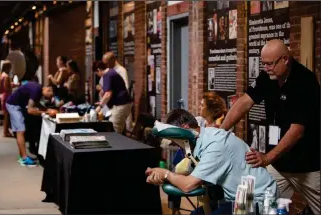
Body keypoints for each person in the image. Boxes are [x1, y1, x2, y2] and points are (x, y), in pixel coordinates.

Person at [220, 39, 320, 214]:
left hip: (308, 166)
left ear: (285, 59)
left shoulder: (305, 82)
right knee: (255, 203)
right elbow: (245, 102)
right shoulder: (268, 76)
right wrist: (220, 131)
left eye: (270, 64)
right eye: (263, 63)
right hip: (279, 164)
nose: (266, 68)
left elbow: (297, 131)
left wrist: (267, 158)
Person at [146, 109, 278, 214]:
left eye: (175, 140)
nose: (177, 144)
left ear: (184, 128)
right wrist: (162, 176)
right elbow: (193, 177)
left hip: (257, 200)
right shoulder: (201, 141)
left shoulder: (214, 144)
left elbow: (188, 185)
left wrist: (165, 174)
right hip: (235, 199)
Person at [6, 82, 54, 166]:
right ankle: (24, 159)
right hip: (13, 105)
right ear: (47, 89)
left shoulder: (38, 90)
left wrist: (47, 109)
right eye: (49, 95)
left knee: (20, 131)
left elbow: (36, 104)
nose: (49, 98)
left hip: (17, 105)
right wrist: (46, 112)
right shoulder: (36, 90)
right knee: (21, 131)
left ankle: (22, 156)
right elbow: (30, 110)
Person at [94, 61, 132, 133]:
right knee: (119, 128)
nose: (98, 76)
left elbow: (108, 94)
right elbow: (111, 90)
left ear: (98, 70)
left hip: (121, 105)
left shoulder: (107, 75)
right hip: (124, 104)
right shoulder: (111, 72)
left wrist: (99, 107)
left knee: (114, 130)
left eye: (97, 73)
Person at [102, 52, 132, 131]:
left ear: (112, 60)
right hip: (112, 104)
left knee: (115, 128)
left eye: (106, 62)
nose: (105, 65)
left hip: (120, 103)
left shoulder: (121, 70)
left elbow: (125, 86)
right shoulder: (109, 71)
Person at [0, 60, 13, 137]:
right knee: (6, 116)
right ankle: (5, 132)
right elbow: (6, 88)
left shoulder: (1, 75)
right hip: (6, 96)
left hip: (2, 95)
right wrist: (12, 88)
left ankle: (6, 131)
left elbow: (1, 87)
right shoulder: (6, 76)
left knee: (5, 115)